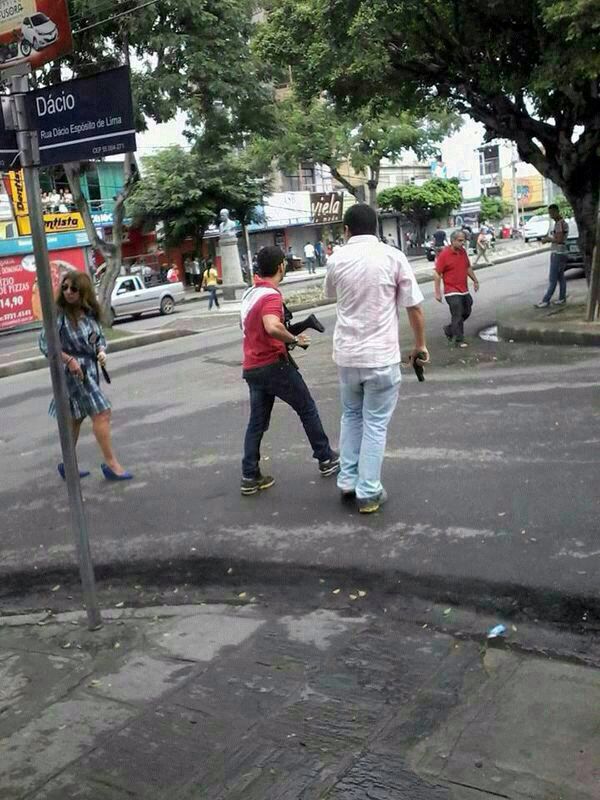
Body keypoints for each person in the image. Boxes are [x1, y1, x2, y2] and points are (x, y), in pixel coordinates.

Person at [324, 204, 428, 514]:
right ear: (377, 228)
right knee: (375, 424)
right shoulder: (393, 257)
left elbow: (330, 293)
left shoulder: (336, 259)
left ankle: (347, 480)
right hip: (381, 357)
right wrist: (420, 345)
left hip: (347, 357)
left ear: (346, 230)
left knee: (351, 416)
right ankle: (368, 491)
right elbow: (414, 307)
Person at [239, 245, 339, 495]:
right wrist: (293, 340)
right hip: (274, 365)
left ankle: (249, 475)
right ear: (281, 266)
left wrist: (286, 337)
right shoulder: (271, 296)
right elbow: (272, 326)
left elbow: (254, 329)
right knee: (306, 408)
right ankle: (326, 458)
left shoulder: (250, 294)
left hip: (252, 367)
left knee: (257, 423)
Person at [39, 271, 133, 482]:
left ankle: (68, 464)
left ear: (83, 291)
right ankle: (112, 465)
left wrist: (101, 351)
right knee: (102, 412)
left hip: (90, 369)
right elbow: (46, 345)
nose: (68, 292)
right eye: (65, 287)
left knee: (76, 416)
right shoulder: (59, 316)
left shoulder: (89, 314)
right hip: (75, 373)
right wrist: (69, 360)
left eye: (74, 288)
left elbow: (98, 338)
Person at [434, 230, 480, 348]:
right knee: (457, 314)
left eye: (463, 241)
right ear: (452, 241)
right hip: (451, 290)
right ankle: (459, 340)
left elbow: (467, 267)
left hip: (463, 289)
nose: (462, 243)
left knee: (467, 310)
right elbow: (437, 274)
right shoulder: (444, 255)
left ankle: (450, 329)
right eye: (460, 241)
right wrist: (438, 292)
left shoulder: (463, 252)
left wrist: (475, 280)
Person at [535, 204, 569, 308]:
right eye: (550, 213)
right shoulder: (562, 223)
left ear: (556, 212)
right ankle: (562, 298)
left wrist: (548, 239)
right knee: (561, 277)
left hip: (557, 253)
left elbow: (559, 240)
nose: (551, 215)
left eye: (552, 213)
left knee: (553, 278)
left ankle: (546, 300)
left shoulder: (559, 224)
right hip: (562, 252)